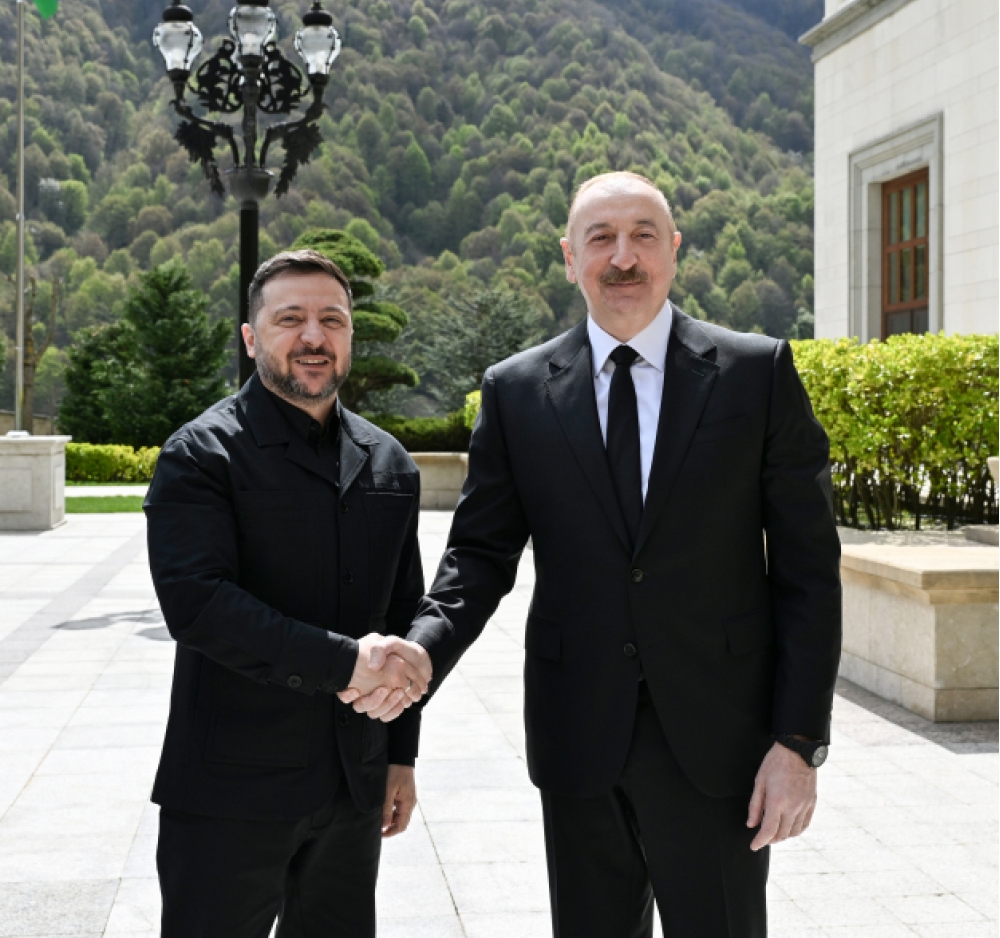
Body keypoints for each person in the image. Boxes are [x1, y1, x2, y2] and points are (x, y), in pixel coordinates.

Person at [349, 171, 842, 937]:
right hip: (578, 735)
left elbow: (808, 572)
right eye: (601, 238)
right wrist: (422, 650)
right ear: (569, 257)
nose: (623, 257)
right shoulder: (516, 391)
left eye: (643, 235)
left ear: (674, 249)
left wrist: (799, 743)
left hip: (720, 742)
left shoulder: (756, 374)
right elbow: (478, 555)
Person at [144, 249, 432, 938]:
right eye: (290, 319)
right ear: (251, 337)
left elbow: (403, 615)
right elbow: (199, 604)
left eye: (332, 320)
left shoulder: (391, 463)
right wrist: (346, 663)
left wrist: (400, 755)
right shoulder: (200, 455)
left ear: (351, 337)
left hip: (352, 789)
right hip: (230, 793)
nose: (313, 336)